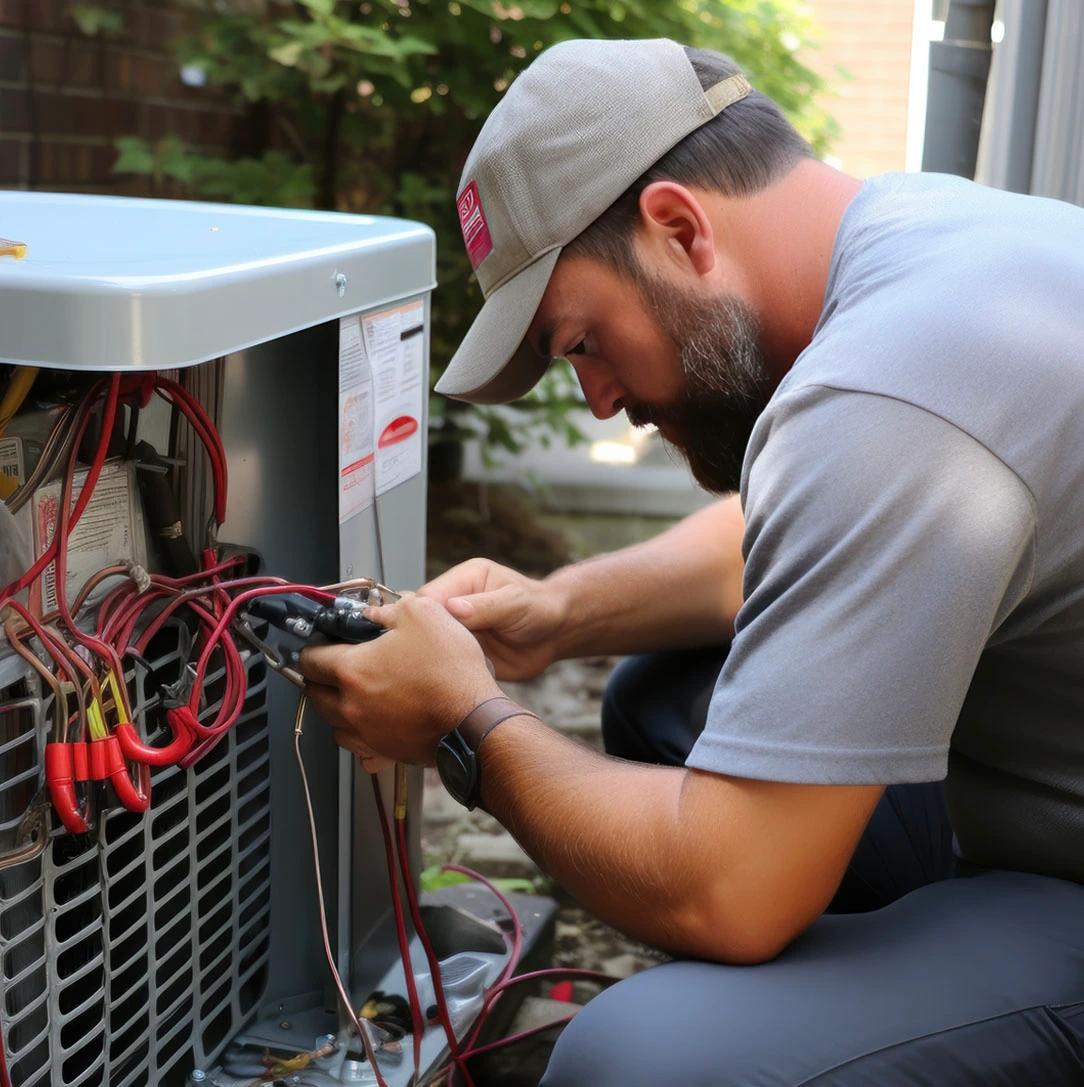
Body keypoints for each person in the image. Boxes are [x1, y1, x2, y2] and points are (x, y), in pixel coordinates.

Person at [299, 37, 1084, 1084]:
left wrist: (461, 721)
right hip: (1031, 808)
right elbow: (796, 544)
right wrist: (559, 608)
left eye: (580, 342)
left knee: (645, 1057)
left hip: (1057, 872)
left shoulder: (884, 397)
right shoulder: (921, 239)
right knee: (670, 696)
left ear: (676, 228)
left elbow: (729, 890)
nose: (598, 400)